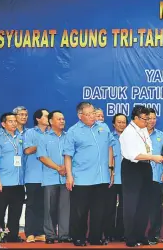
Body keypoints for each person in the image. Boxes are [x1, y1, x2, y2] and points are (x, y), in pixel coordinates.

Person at [63, 102, 114, 246]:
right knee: (80, 212)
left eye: (94, 112)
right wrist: (69, 176)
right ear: (80, 116)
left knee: (99, 211)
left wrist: (111, 170)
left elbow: (110, 147)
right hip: (82, 178)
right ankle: (78, 237)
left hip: (102, 176)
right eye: (89, 114)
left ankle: (95, 237)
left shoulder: (103, 127)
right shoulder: (73, 131)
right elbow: (68, 155)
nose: (93, 116)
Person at [119, 105, 163, 247]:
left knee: (144, 203)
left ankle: (140, 234)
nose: (147, 122)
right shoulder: (128, 133)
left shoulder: (143, 130)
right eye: (145, 119)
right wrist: (153, 157)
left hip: (145, 166)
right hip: (132, 168)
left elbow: (147, 147)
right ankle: (130, 236)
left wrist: (151, 157)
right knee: (132, 203)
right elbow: (133, 155)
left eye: (149, 118)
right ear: (136, 118)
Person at [0, 112, 26, 242]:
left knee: (16, 212)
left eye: (15, 121)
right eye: (10, 121)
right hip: (3, 182)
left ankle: (12, 236)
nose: (14, 123)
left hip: (18, 182)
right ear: (3, 124)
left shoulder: (20, 138)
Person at [37, 110, 71, 244]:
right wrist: (58, 168)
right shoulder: (43, 137)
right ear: (51, 121)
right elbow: (42, 157)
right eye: (59, 119)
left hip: (66, 178)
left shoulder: (69, 137)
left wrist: (66, 169)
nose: (62, 121)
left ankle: (64, 235)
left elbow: (73, 154)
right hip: (50, 178)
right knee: (49, 208)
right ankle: (50, 235)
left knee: (65, 207)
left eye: (63, 119)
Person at [23, 109, 49, 243]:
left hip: (49, 177)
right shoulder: (30, 133)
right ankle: (30, 233)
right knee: (32, 205)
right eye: (46, 116)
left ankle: (41, 232)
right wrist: (42, 144)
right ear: (38, 119)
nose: (48, 118)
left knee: (44, 205)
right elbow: (27, 150)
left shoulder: (52, 133)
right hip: (33, 175)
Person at [103, 113, 128, 242]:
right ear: (113, 124)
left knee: (124, 208)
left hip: (126, 178)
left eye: (124, 122)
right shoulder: (108, 137)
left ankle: (121, 233)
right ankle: (108, 233)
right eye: (119, 122)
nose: (121, 124)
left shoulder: (130, 138)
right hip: (111, 177)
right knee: (109, 207)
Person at [146, 108, 163, 245]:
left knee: (156, 208)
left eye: (154, 118)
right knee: (140, 207)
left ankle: (154, 235)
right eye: (149, 118)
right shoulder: (138, 136)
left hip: (157, 177)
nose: (152, 121)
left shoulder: (162, 136)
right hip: (141, 178)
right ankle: (138, 233)